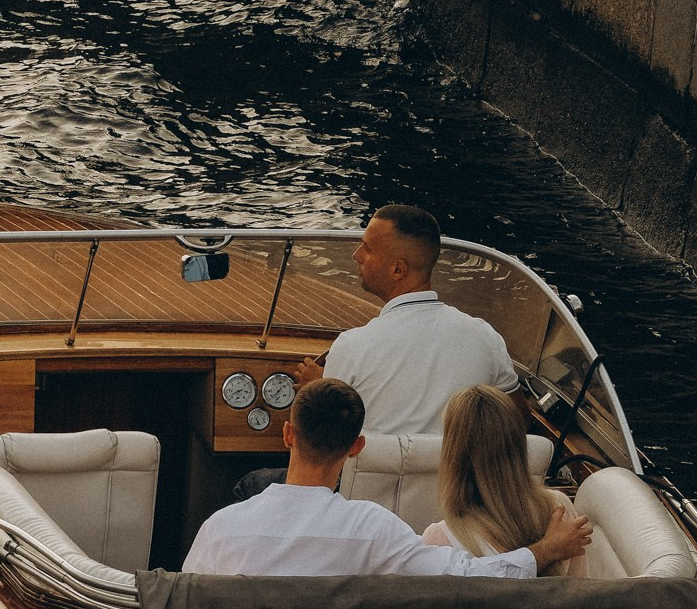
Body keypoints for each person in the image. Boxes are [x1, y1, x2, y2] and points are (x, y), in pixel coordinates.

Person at [184, 378, 591, 578]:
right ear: (357, 446)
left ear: (288, 434)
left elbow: (186, 607)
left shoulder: (221, 529)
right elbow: (469, 578)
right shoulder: (375, 531)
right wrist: (542, 552)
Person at [292, 203, 516, 436]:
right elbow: (516, 420)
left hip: (368, 472)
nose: (356, 255)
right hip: (455, 472)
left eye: (367, 249)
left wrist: (317, 391)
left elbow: (324, 443)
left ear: (398, 270)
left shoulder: (352, 348)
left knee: (257, 475)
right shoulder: (486, 338)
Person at [421, 384, 587, 578]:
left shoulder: (439, 539)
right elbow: (582, 592)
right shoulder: (560, 507)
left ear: (453, 455)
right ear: (518, 445)